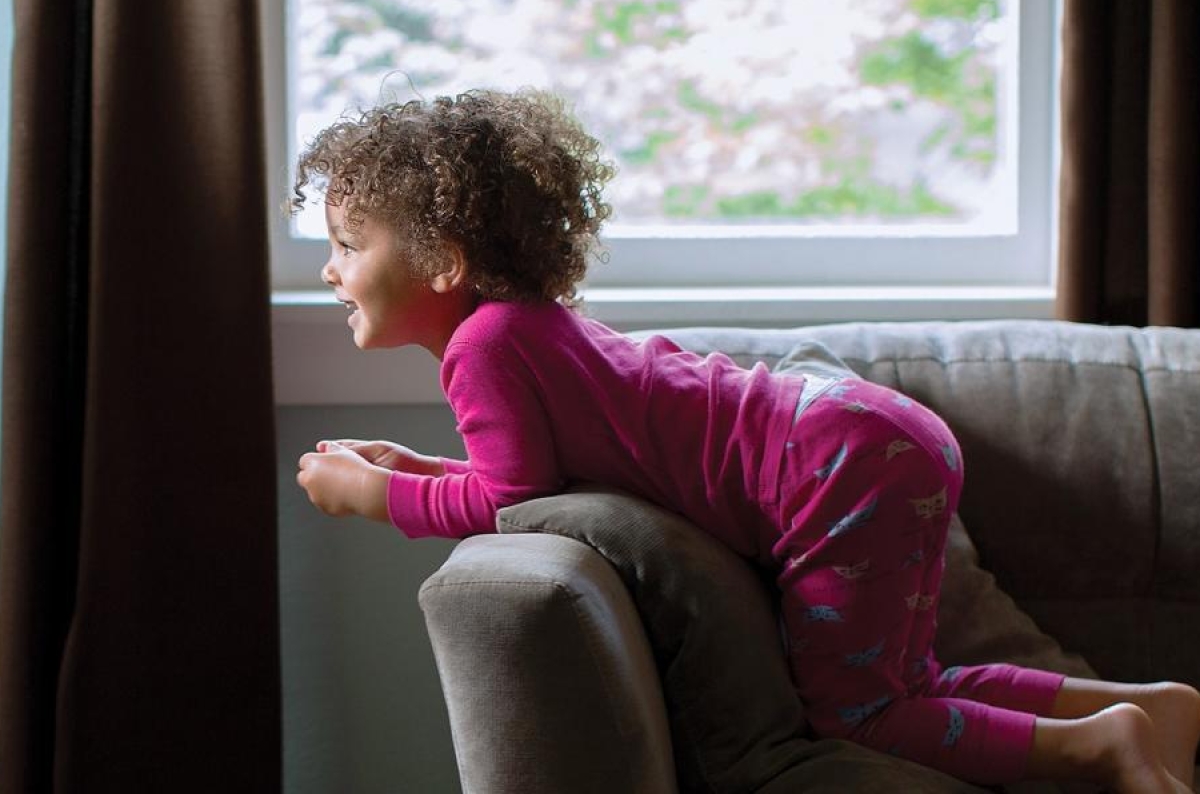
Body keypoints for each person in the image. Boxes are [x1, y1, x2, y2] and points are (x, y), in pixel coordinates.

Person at [293, 88, 1200, 792]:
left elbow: (504, 500)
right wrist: (417, 467)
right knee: (913, 679)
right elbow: (524, 476)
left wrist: (373, 498)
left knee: (859, 716)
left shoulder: (484, 348)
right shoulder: (524, 326)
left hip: (836, 470)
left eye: (347, 243)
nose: (328, 268)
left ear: (445, 260)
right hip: (864, 443)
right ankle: (1145, 709)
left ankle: (1095, 747)